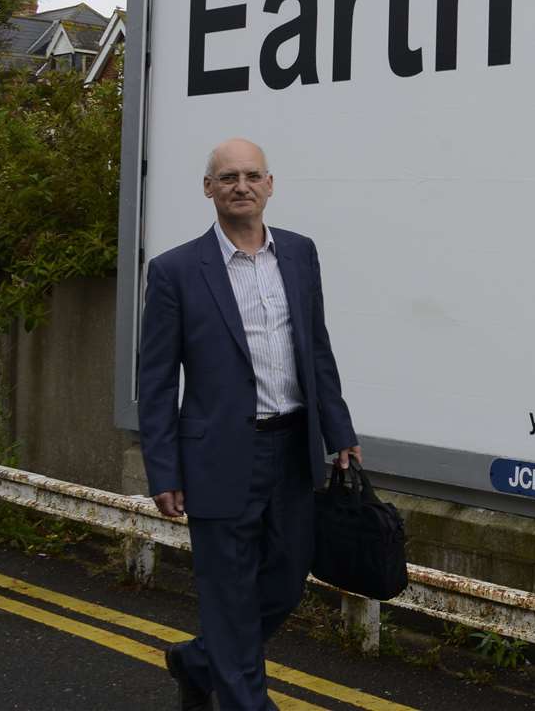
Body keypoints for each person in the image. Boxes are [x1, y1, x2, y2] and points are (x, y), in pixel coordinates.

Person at [138, 138, 359, 711]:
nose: (241, 185)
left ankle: (199, 661)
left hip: (292, 451)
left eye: (251, 175)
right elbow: (157, 380)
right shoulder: (175, 272)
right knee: (229, 597)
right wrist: (163, 468)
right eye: (228, 177)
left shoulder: (301, 253)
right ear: (209, 188)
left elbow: (317, 351)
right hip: (217, 459)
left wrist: (341, 434)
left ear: (269, 184)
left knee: (286, 582)